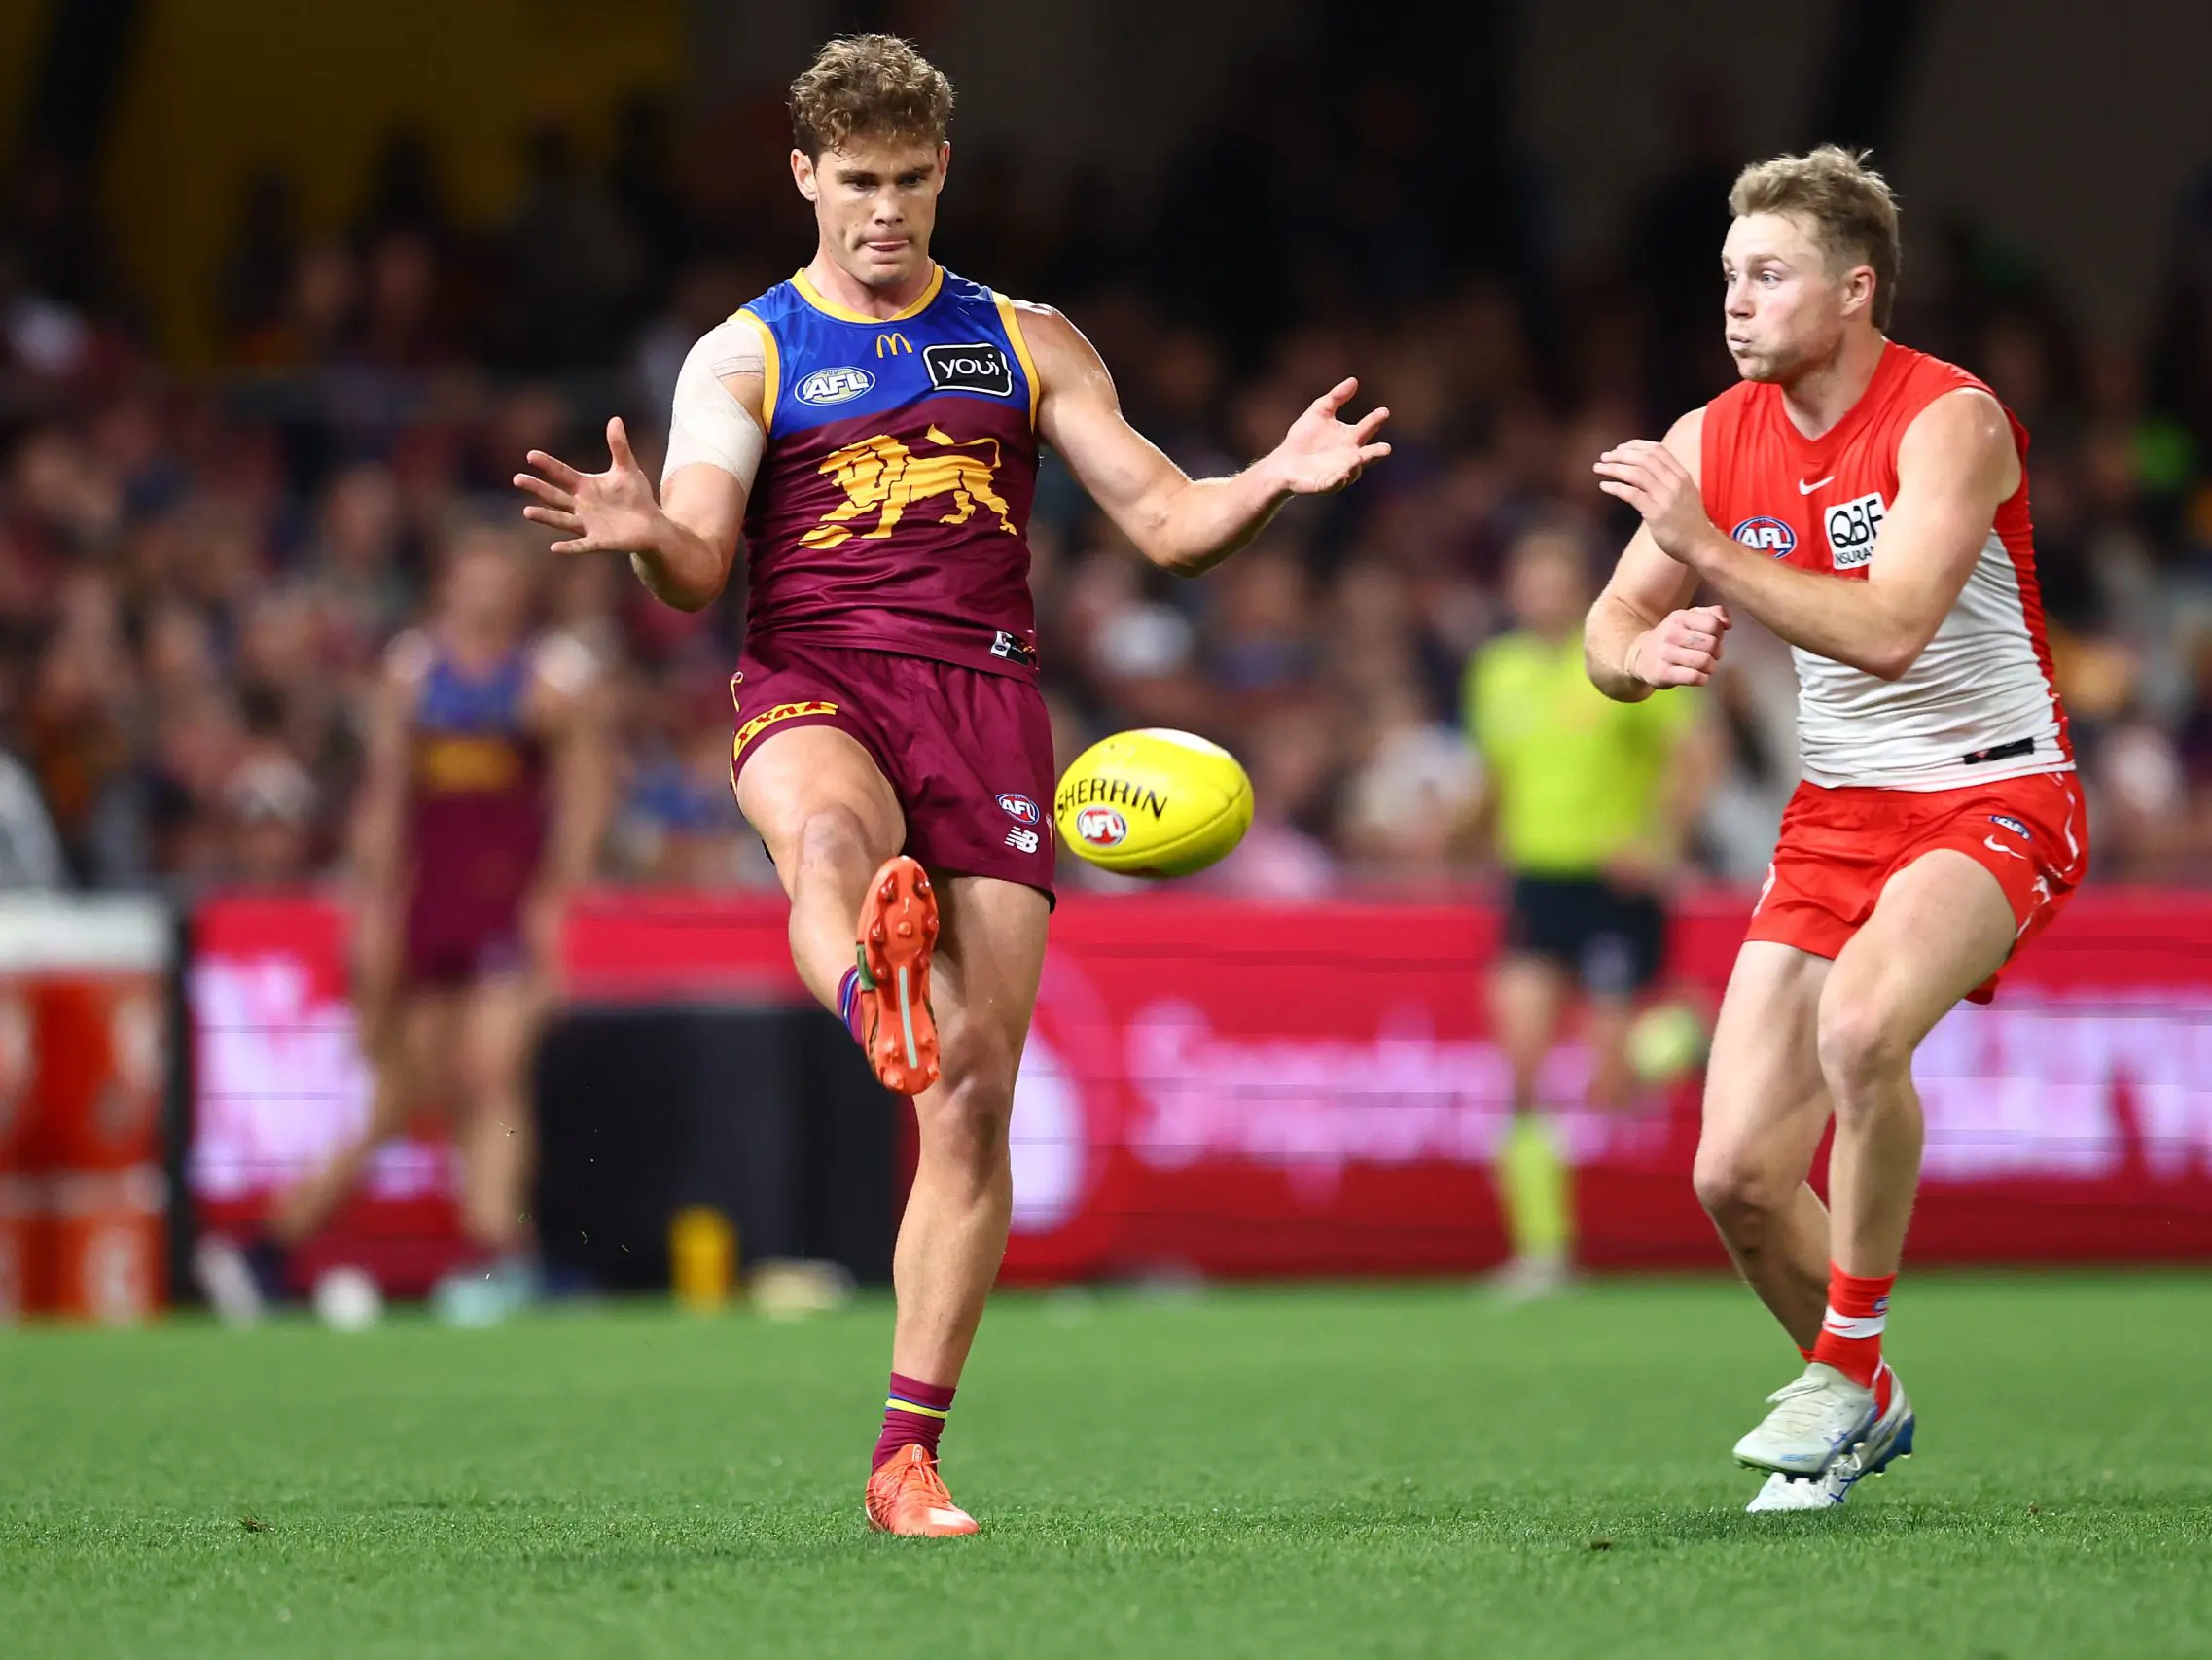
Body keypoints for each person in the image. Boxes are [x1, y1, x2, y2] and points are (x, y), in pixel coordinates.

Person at [512, 35, 1388, 1536]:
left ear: (943, 173)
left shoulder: (1025, 339)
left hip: (984, 701)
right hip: (815, 674)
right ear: (804, 174)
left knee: (976, 1098)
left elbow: (1170, 521)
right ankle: (873, 1000)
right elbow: (703, 563)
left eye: (910, 180)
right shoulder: (748, 352)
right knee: (830, 839)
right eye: (856, 181)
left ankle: (905, 1454)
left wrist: (1269, 483)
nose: (884, 211)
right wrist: (646, 529)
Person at [1584, 147, 2087, 1511]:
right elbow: (1604, 630)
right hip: (1836, 814)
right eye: (1729, 276)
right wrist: (1647, 652)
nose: (1736, 302)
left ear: (1855, 290)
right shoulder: (1712, 434)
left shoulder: (1950, 419)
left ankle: (1844, 1363)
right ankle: (1865, 1394)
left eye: (1769, 275)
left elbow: (1890, 627)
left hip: (1993, 789)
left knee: (1863, 1029)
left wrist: (1715, 550)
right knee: (1735, 1172)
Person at [195, 527, 609, 1327]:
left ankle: (497, 1260)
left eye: (499, 575)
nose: (486, 590)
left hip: (504, 902)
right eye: (472, 573)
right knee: (405, 1094)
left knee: (491, 1074)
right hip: (431, 906)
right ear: (447, 584)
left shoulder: (551, 680)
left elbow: (584, 799)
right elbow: (384, 801)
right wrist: (372, 912)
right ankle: (270, 1246)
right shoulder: (413, 676)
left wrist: (557, 903)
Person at [1464, 522, 1717, 1300]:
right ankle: (1544, 1253)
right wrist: (1460, 837)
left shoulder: (1618, 654)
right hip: (1534, 883)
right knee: (1523, 1067)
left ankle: (1689, 1033)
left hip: (1615, 885)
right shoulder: (1496, 670)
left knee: (1610, 1082)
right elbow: (1498, 777)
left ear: (1581, 588)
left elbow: (1693, 754)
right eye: (1526, 577)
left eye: (1552, 577)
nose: (1537, 591)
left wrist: (1657, 841)